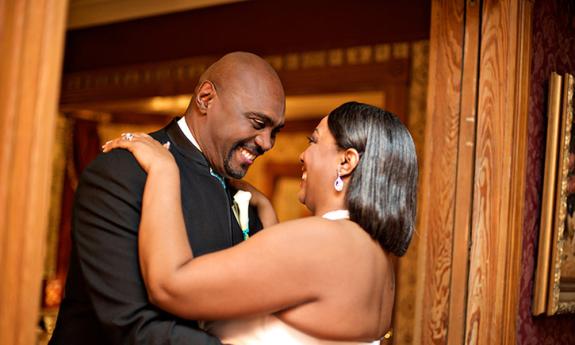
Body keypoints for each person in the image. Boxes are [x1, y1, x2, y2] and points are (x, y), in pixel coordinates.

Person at [102, 101, 418, 344]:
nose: (302, 155)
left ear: (346, 161)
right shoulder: (375, 258)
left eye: (314, 140)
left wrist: (164, 170)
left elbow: (169, 286)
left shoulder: (321, 241)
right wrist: (265, 208)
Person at [49, 52, 286, 345]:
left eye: (274, 131)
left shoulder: (246, 198)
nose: (267, 143)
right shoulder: (123, 171)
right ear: (206, 98)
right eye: (257, 122)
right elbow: (132, 325)